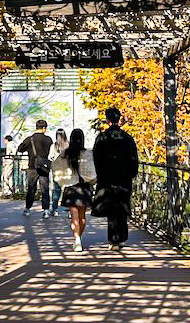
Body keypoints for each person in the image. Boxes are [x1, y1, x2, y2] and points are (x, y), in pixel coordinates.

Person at [92, 106, 139, 250]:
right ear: (119, 119)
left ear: (107, 120)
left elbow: (96, 158)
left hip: (107, 178)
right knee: (122, 206)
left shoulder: (101, 138)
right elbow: (134, 159)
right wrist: (131, 173)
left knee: (111, 208)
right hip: (124, 177)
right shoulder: (127, 138)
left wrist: (100, 175)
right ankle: (123, 238)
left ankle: (113, 240)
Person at [52, 128, 97, 252]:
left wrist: (63, 180)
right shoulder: (87, 154)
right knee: (82, 216)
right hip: (84, 188)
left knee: (74, 216)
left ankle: (76, 239)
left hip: (70, 188)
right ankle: (78, 239)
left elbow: (55, 166)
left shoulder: (65, 154)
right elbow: (92, 172)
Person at [16, 119, 53, 218]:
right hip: (44, 167)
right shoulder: (48, 139)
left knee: (31, 189)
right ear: (44, 128)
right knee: (45, 189)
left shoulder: (30, 139)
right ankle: (46, 210)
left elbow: (20, 149)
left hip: (32, 167)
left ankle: (27, 209)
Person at [50, 129, 69, 216]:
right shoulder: (68, 145)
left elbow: (50, 157)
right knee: (68, 190)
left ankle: (55, 209)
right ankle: (70, 211)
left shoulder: (54, 146)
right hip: (67, 171)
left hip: (57, 171)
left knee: (57, 190)